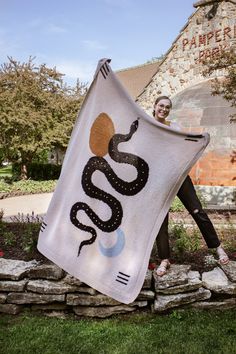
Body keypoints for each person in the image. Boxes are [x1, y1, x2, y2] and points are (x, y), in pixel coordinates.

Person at [152, 95, 229, 276]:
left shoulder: (175, 127)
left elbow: (186, 146)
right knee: (160, 221)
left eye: (167, 107)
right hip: (159, 180)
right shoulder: (147, 127)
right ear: (154, 106)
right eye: (161, 106)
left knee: (198, 211)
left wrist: (201, 139)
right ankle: (164, 259)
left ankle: (217, 248)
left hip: (179, 176)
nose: (163, 109)